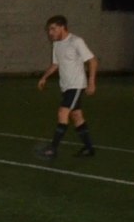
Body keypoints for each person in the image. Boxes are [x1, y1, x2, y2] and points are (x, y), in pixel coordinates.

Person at [37, 15, 97, 159]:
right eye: (49, 30)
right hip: (66, 86)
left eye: (53, 29)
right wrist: (44, 77)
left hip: (76, 85)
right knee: (77, 116)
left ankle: (52, 149)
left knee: (62, 113)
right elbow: (55, 64)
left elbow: (93, 61)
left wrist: (91, 82)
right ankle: (89, 148)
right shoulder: (57, 44)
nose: (50, 32)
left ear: (62, 27)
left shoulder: (76, 41)